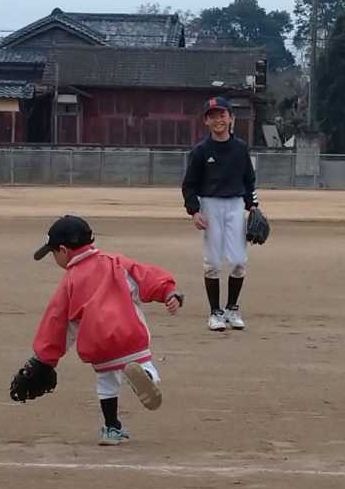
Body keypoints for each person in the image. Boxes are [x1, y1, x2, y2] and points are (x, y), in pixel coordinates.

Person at [29, 215, 183, 446]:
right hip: (128, 335)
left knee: (106, 383)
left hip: (97, 344)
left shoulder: (69, 281)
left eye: (53, 253)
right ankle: (147, 377)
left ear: (63, 250)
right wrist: (169, 293)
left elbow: (57, 323)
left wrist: (45, 359)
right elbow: (147, 278)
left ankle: (111, 428)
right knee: (143, 365)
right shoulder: (115, 262)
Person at [181, 96, 259, 331]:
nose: (218, 120)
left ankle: (231, 309)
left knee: (238, 261)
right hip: (210, 205)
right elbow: (189, 185)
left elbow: (249, 181)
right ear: (206, 121)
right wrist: (195, 211)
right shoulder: (201, 151)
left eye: (222, 115)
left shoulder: (240, 148)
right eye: (212, 116)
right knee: (213, 262)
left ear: (231, 117)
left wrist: (253, 207)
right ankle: (215, 312)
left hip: (235, 205)